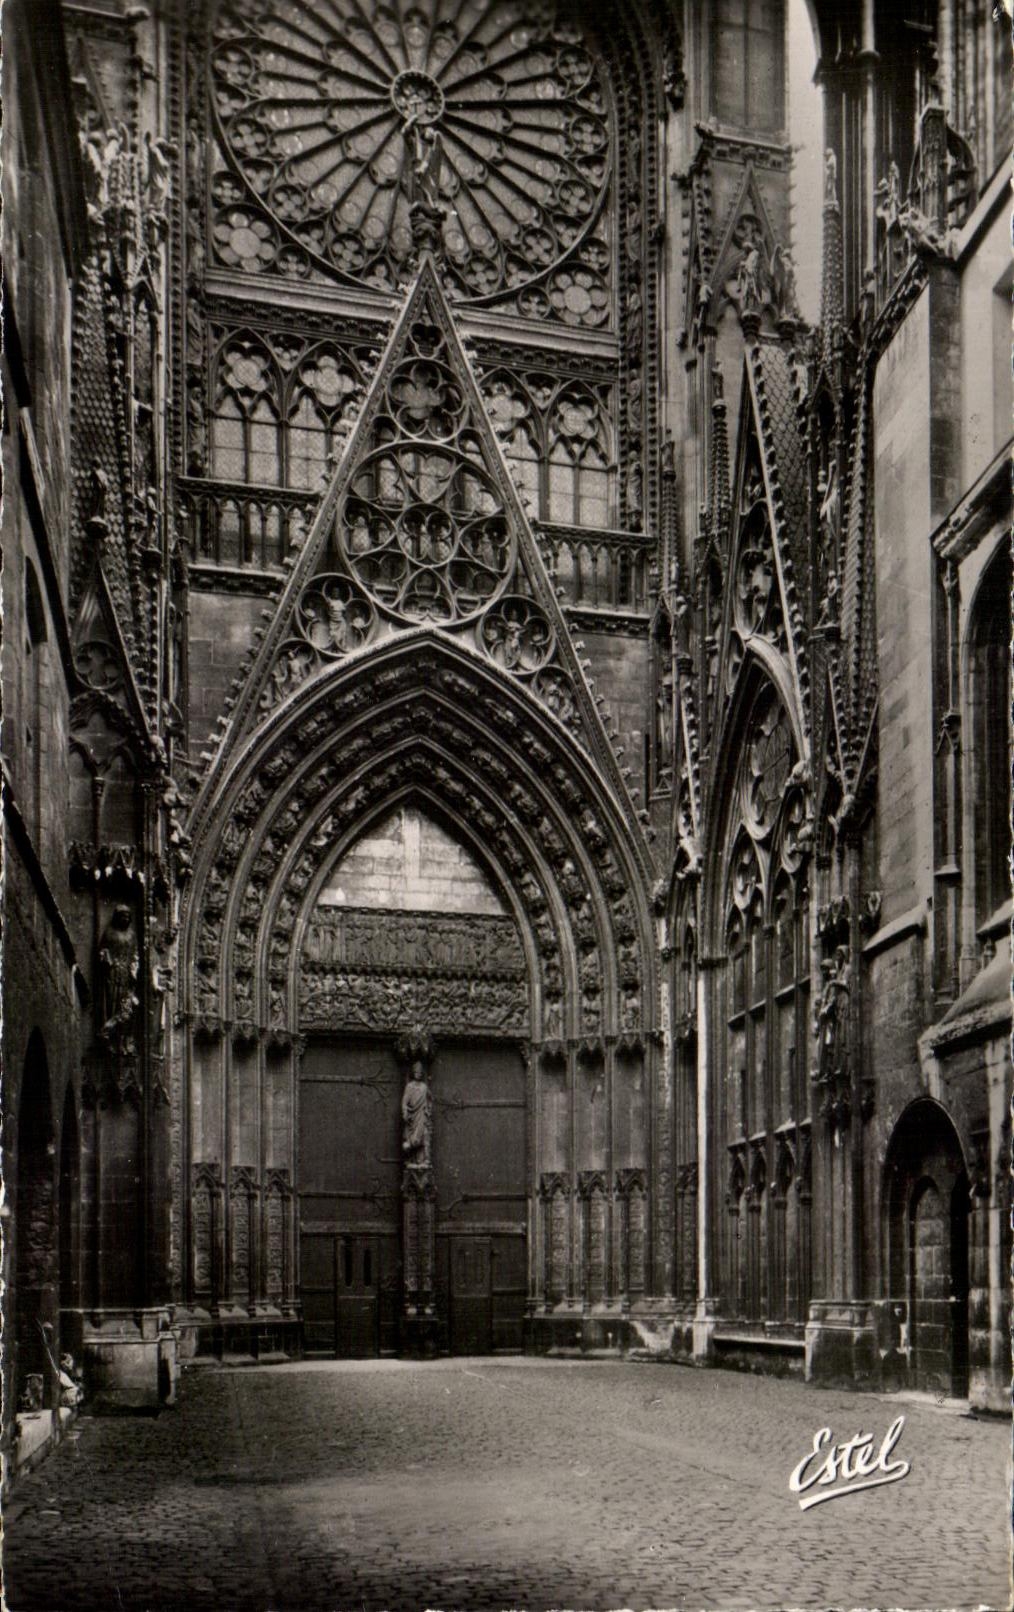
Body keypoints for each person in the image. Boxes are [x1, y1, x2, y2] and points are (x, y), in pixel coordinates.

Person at [401, 1058, 433, 1168]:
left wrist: (428, 1110)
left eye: (420, 1073)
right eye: (416, 1072)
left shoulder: (424, 1087)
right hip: (412, 1117)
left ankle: (424, 1159)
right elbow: (404, 1102)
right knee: (410, 1138)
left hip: (422, 1116)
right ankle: (410, 1159)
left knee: (423, 1137)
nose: (418, 1074)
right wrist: (405, 1112)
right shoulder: (409, 1086)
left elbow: (430, 1099)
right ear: (413, 1073)